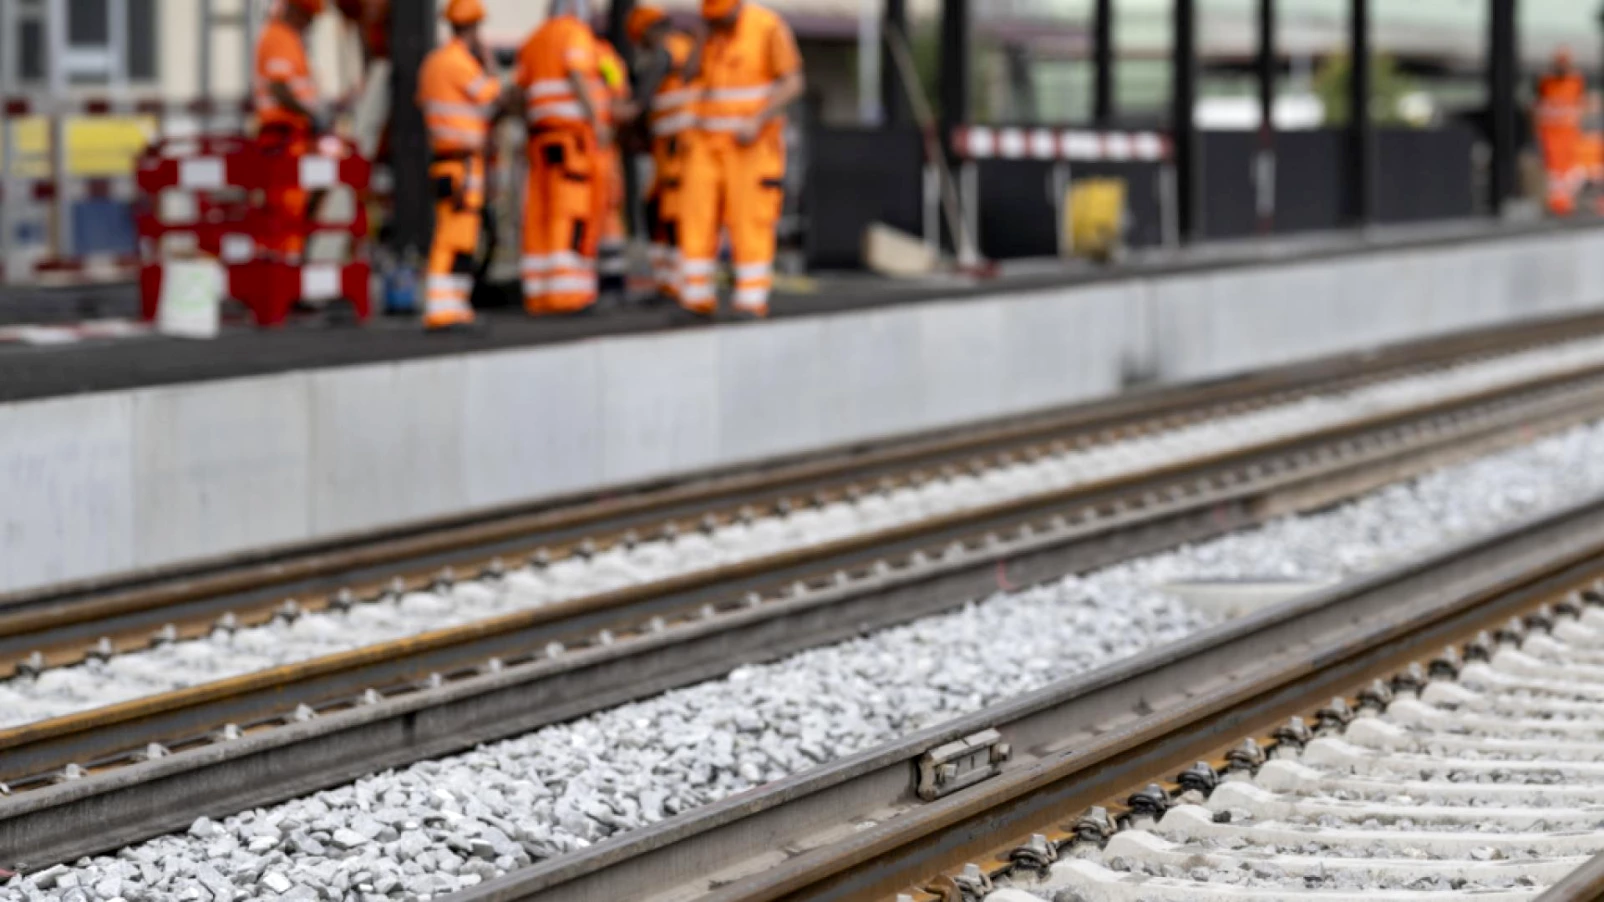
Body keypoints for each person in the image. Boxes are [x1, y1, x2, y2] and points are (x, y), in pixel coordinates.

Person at [678, 0, 804, 319]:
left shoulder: (767, 28)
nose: (721, 23)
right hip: (705, 142)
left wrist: (758, 119)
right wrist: (701, 38)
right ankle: (696, 298)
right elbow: (687, 75)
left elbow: (793, 82)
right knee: (696, 218)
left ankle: (750, 299)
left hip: (751, 146)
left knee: (750, 221)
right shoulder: (708, 33)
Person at [514, 0, 613, 315]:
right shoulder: (575, 33)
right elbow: (577, 75)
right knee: (569, 212)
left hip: (540, 140)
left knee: (540, 214)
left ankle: (539, 293)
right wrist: (596, 122)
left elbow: (518, 92)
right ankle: (568, 294)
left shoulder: (533, 40)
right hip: (571, 141)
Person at [416, 0, 508, 331]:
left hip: (448, 161)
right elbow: (495, 95)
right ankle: (442, 308)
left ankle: (454, 306)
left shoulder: (432, 63)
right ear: (472, 29)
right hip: (462, 163)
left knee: (462, 236)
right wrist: (488, 61)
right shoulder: (459, 63)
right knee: (454, 235)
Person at [626, 5, 700, 302]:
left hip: (677, 147)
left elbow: (642, 101)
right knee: (659, 211)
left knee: (669, 214)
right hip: (668, 146)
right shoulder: (684, 46)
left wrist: (617, 115)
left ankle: (676, 282)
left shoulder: (666, 52)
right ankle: (669, 280)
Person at [254, 0, 332, 256]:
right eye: (307, 17)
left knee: (299, 200)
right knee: (288, 205)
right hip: (283, 136)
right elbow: (279, 88)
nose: (308, 25)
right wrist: (311, 114)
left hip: (292, 135)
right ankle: (286, 265)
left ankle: (292, 261)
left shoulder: (287, 38)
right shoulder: (280, 38)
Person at [594, 35, 634, 299]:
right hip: (599, 146)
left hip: (596, 147)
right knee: (607, 215)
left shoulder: (599, 55)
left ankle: (609, 280)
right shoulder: (603, 56)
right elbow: (619, 98)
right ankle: (611, 281)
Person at [1535, 47, 1587, 216]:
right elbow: (1538, 104)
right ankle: (1555, 202)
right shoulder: (1545, 81)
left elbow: (1581, 103)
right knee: (1553, 169)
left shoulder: (1576, 81)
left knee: (1568, 169)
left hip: (1568, 133)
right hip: (1550, 133)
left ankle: (1566, 201)